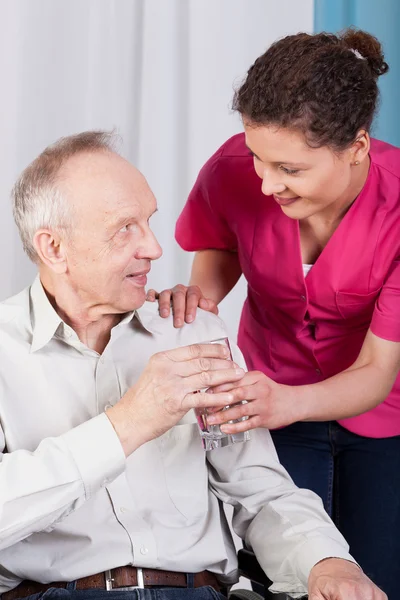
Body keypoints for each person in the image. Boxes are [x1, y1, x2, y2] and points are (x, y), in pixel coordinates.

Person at [0, 131, 386, 600]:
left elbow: (260, 491)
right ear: (54, 248)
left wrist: (326, 563)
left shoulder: (191, 333)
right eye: (125, 228)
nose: (155, 249)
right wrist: (130, 423)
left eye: (149, 221)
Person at [149, 29, 400, 599]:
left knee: (374, 579)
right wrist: (201, 304)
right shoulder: (236, 169)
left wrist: (287, 402)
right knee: (279, 577)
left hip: (382, 415)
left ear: (357, 146)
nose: (265, 182)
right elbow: (218, 240)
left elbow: (377, 371)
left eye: (289, 169)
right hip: (269, 401)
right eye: (258, 157)